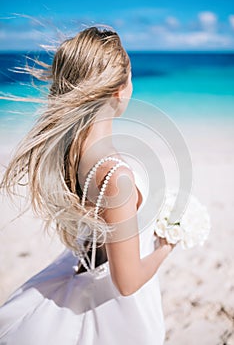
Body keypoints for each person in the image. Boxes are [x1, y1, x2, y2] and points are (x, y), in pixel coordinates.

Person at [0, 25, 175, 344]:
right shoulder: (115, 175)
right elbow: (127, 283)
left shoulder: (72, 151)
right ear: (119, 90)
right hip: (119, 315)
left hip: (85, 272)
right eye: (130, 76)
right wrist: (167, 247)